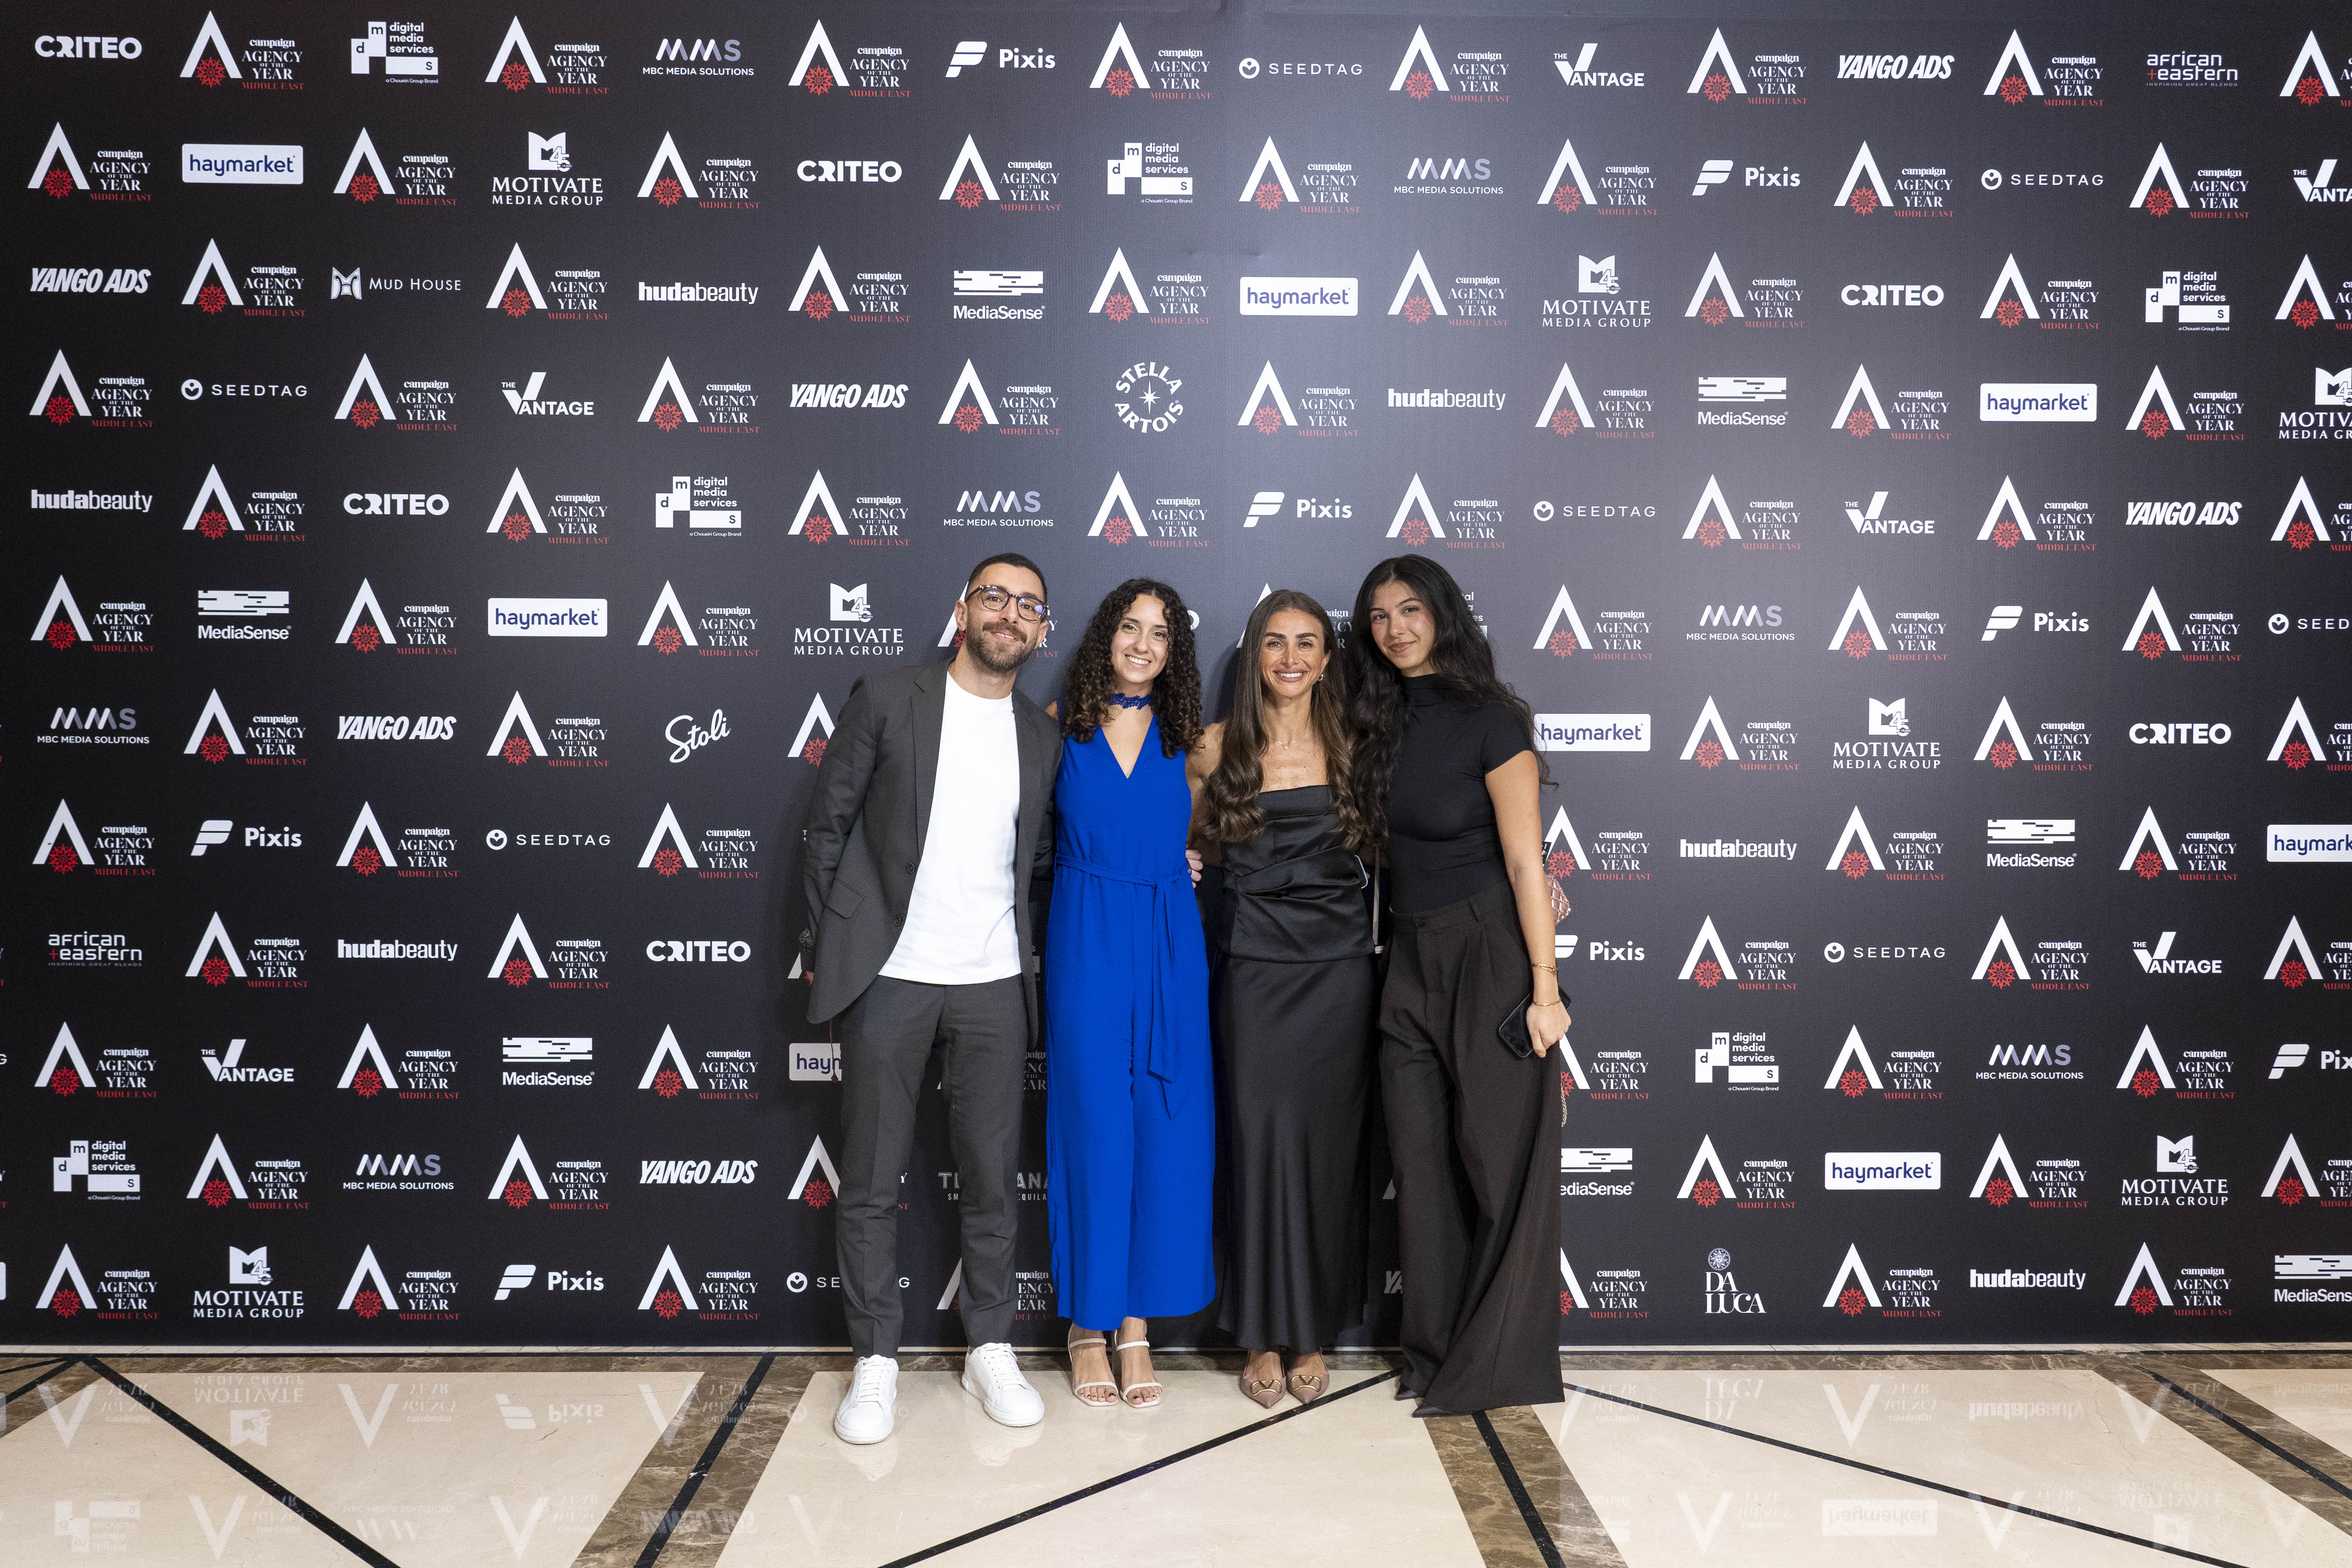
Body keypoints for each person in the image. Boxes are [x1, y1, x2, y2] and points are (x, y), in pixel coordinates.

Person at [799, 554, 1061, 1445]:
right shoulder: (888, 696)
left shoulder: (1041, 736)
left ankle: (990, 1345)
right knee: (871, 1179)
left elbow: (1040, 861)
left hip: (994, 983)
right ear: (962, 610)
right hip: (891, 976)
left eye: (1028, 606)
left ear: (1041, 630)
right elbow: (827, 830)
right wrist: (834, 954)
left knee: (991, 1180)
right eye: (995, 597)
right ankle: (875, 1358)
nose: (1010, 614)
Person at [1347, 555, 1570, 1417]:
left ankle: (1500, 1364)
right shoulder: (1377, 719)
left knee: (1502, 1165)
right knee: (1421, 1165)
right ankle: (1433, 1355)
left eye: (1410, 609)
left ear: (1442, 614)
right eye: (1379, 616)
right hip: (1406, 958)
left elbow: (1525, 860)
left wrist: (1545, 990)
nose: (1395, 628)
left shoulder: (1493, 720)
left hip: (1490, 954)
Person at [1191, 591, 1376, 1407]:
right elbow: (1179, 842)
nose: (1291, 658)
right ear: (1254, 655)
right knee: (1258, 1144)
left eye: (1307, 643)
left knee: (1327, 1151)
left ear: (1328, 659)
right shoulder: (1215, 748)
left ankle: (1312, 1332)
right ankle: (1260, 1334)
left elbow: (1425, 839)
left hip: (1338, 972)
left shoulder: (1358, 748)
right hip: (1254, 971)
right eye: (1275, 642)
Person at [1045, 578, 1214, 1409]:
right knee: (1096, 1125)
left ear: (1175, 652)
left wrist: (1187, 858)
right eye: (1129, 627)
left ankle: (1136, 1326)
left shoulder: (1194, 741)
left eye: (1161, 633)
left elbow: (1217, 829)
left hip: (1169, 935)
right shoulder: (1058, 728)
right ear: (1104, 636)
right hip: (1086, 932)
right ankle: (1088, 1324)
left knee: (1163, 1127)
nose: (1143, 644)